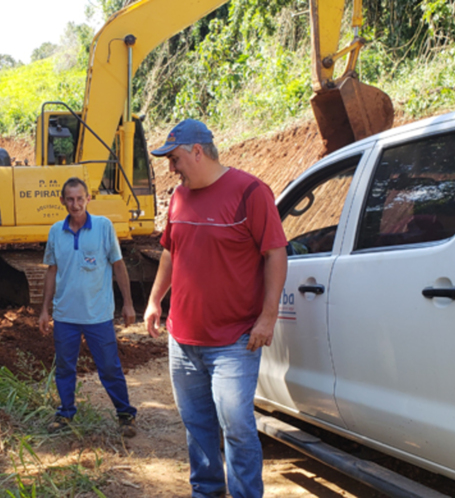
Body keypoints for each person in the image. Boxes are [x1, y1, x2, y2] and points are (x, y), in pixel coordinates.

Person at [144, 119, 288, 498]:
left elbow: (275, 253)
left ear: (197, 151)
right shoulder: (179, 197)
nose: (171, 168)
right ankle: (206, 492)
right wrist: (155, 300)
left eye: (174, 159)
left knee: (237, 427)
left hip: (234, 340)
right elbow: (170, 253)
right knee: (197, 426)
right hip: (183, 340)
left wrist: (268, 316)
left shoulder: (250, 193)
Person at [38, 177, 138, 437]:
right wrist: (44, 309)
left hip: (98, 315)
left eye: (80, 198)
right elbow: (52, 270)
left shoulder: (104, 227)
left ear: (88, 199)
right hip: (65, 316)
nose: (75, 204)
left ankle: (125, 414)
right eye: (70, 199)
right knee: (64, 367)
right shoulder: (55, 232)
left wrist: (128, 304)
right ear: (62, 201)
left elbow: (118, 265)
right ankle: (66, 413)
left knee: (109, 367)